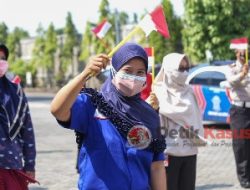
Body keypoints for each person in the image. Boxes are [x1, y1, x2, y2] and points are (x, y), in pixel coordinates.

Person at [50, 42, 166, 190]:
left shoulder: (150, 115)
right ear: (114, 71)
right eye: (128, 70)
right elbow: (57, 110)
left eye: (140, 73)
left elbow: (157, 167)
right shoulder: (93, 103)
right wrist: (85, 74)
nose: (133, 78)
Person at [152, 53, 204, 190]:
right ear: (168, 69)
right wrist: (153, 109)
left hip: (190, 151)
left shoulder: (189, 91)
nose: (185, 73)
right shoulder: (157, 92)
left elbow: (197, 119)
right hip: (168, 154)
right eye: (180, 69)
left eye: (187, 68)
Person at [0, 44, 37, 189]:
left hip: (11, 165)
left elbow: (27, 131)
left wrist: (30, 165)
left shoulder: (16, 93)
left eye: (2, 58)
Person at [225, 48, 250, 188]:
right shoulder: (231, 68)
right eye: (241, 53)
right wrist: (243, 73)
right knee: (241, 145)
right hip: (239, 111)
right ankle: (244, 178)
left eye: (246, 53)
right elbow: (232, 82)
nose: (243, 55)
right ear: (236, 54)